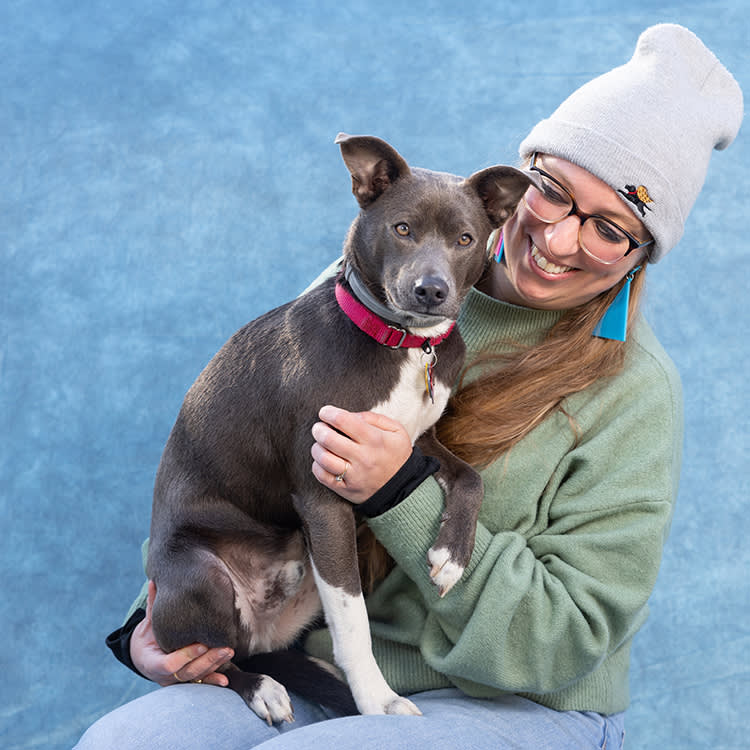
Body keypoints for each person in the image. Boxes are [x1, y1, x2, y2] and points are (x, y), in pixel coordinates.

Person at [76, 23, 742, 750]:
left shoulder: (638, 392)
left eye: (611, 227)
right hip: (321, 670)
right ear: (516, 185)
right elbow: (244, 461)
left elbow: (566, 638)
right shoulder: (371, 291)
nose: (557, 240)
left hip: (514, 701)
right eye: (552, 193)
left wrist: (402, 494)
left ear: (643, 253)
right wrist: (159, 625)